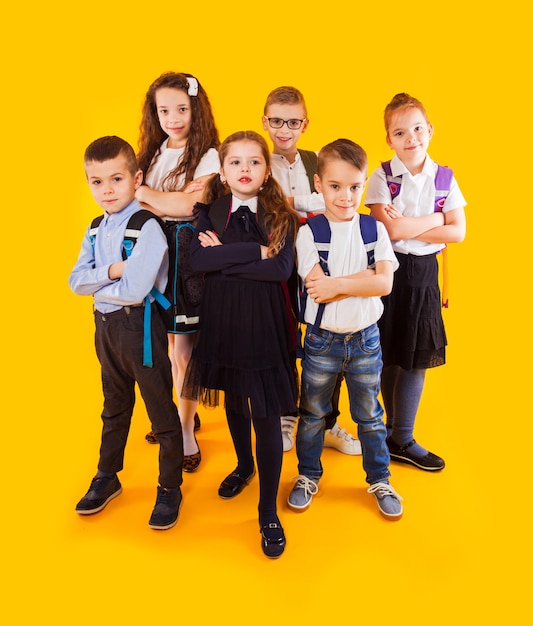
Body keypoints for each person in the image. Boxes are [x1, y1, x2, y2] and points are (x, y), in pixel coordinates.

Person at [183, 131, 300, 558]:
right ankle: (244, 465)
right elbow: (198, 262)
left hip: (265, 324)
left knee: (265, 414)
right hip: (224, 320)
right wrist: (256, 251)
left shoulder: (280, 213)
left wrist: (227, 259)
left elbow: (281, 270)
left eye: (254, 162)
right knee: (233, 400)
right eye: (236, 163)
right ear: (224, 170)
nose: (245, 170)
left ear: (267, 171)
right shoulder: (210, 212)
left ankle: (268, 510)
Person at [69, 136, 183, 530]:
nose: (107, 190)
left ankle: (170, 487)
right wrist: (113, 271)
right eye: (96, 181)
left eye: (116, 179)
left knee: (160, 413)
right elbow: (75, 281)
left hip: (140, 329)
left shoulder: (146, 226)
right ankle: (107, 475)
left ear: (136, 179)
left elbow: (135, 290)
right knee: (114, 406)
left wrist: (99, 283)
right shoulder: (96, 227)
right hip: (105, 330)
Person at [287, 138, 403, 520]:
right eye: (335, 186)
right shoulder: (309, 233)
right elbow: (317, 289)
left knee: (370, 416)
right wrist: (362, 278)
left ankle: (380, 478)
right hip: (322, 341)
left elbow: (384, 284)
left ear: (363, 185)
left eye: (354, 187)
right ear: (318, 184)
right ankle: (307, 475)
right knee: (313, 413)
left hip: (366, 339)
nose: (346, 196)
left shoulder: (374, 230)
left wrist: (340, 283)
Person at [365, 93, 466, 471]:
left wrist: (414, 224)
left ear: (430, 130)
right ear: (389, 139)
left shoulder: (445, 178)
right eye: (400, 132)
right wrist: (437, 220)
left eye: (418, 128)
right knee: (386, 352)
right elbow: (389, 230)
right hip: (388, 270)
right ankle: (381, 433)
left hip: (425, 275)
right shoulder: (381, 176)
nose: (412, 137)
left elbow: (459, 232)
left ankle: (402, 437)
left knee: (416, 357)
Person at [262, 85, 360, 456]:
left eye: (292, 122)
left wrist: (289, 201)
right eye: (276, 121)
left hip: (322, 258)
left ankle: (328, 420)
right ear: (265, 122)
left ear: (305, 123)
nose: (284, 129)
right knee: (285, 337)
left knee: (328, 333)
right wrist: (291, 206)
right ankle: (289, 414)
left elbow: (331, 196)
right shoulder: (259, 161)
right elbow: (260, 203)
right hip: (276, 260)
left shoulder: (315, 159)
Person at [136, 72, 220, 472]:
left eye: (182, 109)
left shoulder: (208, 154)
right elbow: (137, 209)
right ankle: (181, 416)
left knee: (185, 350)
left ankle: (185, 430)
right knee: (166, 346)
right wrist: (165, 201)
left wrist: (146, 195)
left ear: (196, 109)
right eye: (164, 109)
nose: (173, 117)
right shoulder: (152, 152)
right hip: (154, 258)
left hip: (187, 260)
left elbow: (192, 206)